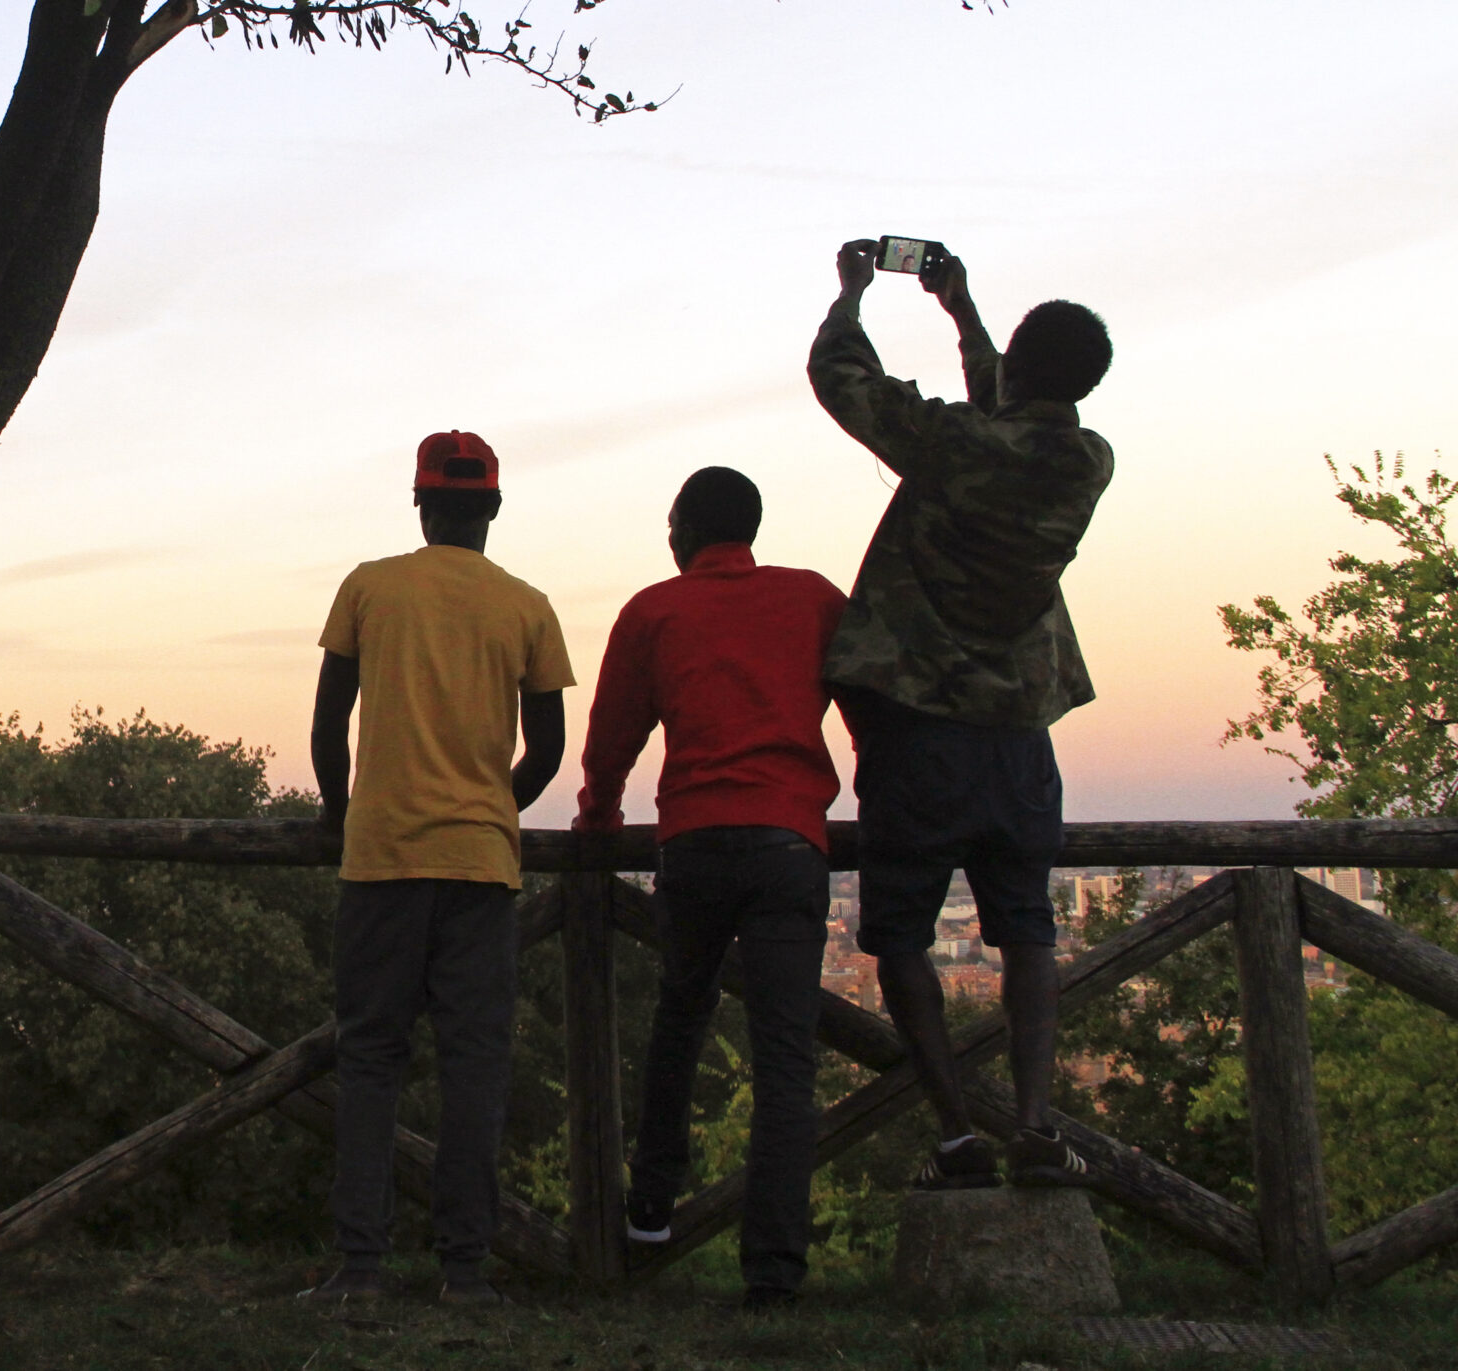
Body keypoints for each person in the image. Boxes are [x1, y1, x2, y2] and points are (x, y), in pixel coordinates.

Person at [811, 241, 1115, 1190]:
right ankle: (1032, 1122)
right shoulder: (1086, 460)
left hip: (920, 721)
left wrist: (854, 291)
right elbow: (1014, 410)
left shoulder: (961, 447)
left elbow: (839, 376)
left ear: (1021, 368)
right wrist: (963, 312)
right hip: (1021, 733)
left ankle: (955, 1133)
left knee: (899, 934)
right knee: (1027, 929)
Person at [303, 430, 576, 1307]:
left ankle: (362, 1268)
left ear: (420, 505)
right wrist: (494, 806)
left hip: (380, 856)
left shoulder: (369, 586)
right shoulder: (527, 606)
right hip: (479, 866)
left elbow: (326, 727)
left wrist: (340, 814)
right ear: (493, 506)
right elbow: (549, 748)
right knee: (473, 1066)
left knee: (371, 1060)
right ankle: (466, 1271)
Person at [574, 467, 848, 1310]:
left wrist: (600, 815)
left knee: (680, 1016)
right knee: (785, 1058)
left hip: (692, 838)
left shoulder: (653, 610)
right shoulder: (814, 600)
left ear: (683, 530)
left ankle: (652, 1204)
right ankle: (773, 1270)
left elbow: (612, 732)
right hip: (789, 839)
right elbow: (870, 705)